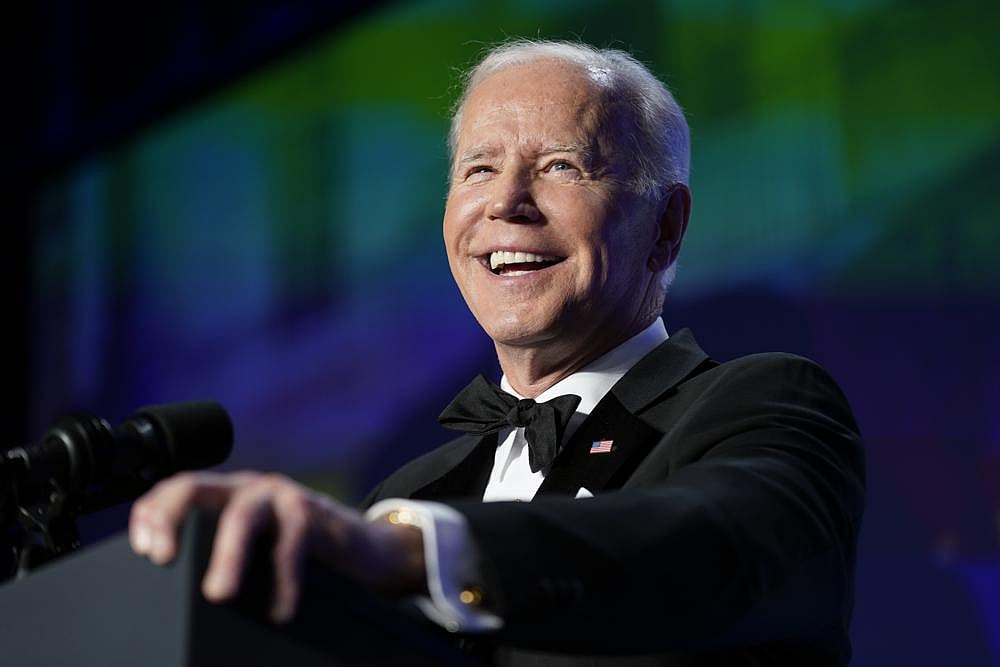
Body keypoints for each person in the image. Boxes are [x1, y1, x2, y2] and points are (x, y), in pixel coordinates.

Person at [129, 40, 865, 665]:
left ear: (666, 226)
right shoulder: (410, 486)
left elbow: (712, 548)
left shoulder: (765, 401)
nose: (505, 202)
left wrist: (415, 552)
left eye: (561, 167)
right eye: (479, 168)